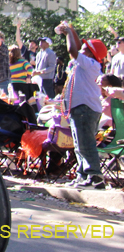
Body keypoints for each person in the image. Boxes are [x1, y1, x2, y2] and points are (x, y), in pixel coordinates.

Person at [56, 21, 106, 189]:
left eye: (85, 48)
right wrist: (70, 30)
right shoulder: (85, 63)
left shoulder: (91, 64)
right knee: (78, 144)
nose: (80, 49)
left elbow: (72, 50)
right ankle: (83, 174)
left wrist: (69, 33)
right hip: (79, 108)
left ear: (91, 53)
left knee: (85, 143)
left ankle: (95, 176)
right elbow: (76, 48)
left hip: (85, 108)